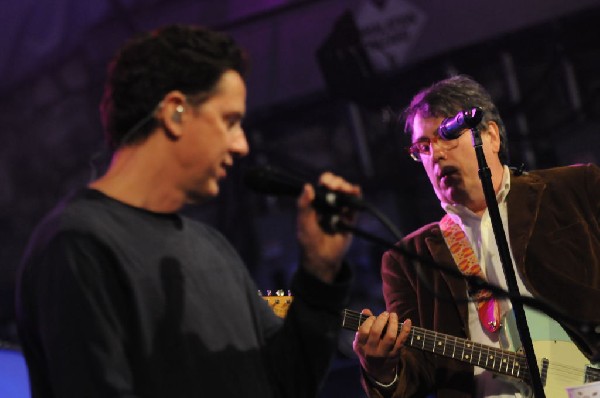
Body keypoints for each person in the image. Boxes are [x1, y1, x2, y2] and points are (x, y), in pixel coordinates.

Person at [15, 24, 361, 398]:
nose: (242, 144)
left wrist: (320, 273)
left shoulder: (212, 247)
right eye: (229, 121)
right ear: (175, 112)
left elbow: (288, 381)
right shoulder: (77, 245)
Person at [352, 74, 600, 397]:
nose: (436, 154)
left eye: (447, 135)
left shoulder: (576, 189)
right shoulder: (408, 261)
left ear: (492, 137)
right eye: (423, 147)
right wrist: (380, 368)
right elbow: (413, 375)